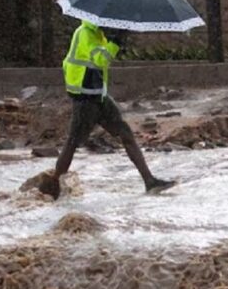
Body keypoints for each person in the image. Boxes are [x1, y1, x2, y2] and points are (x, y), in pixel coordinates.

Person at [38, 20, 176, 200]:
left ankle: (149, 181)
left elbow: (103, 61)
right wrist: (116, 42)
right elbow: (100, 59)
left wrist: (115, 41)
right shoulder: (86, 34)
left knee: (125, 134)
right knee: (73, 143)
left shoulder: (98, 33)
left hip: (98, 95)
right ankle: (53, 187)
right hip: (85, 97)